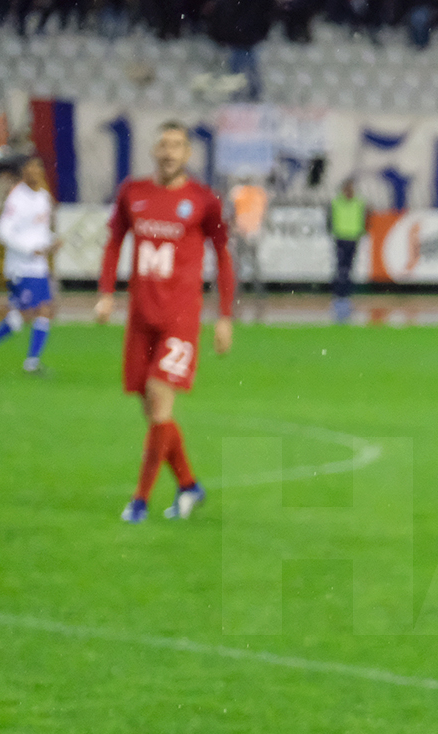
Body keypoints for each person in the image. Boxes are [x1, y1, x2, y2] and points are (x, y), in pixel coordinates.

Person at [96, 120, 235, 524]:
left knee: (159, 400)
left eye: (177, 145)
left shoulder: (204, 201)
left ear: (188, 154)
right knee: (154, 412)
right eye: (163, 145)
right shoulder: (133, 193)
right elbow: (113, 241)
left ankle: (139, 501)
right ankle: (189, 485)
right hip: (141, 318)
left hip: (180, 320)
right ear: (154, 150)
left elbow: (223, 257)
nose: (170, 151)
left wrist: (224, 316)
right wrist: (106, 293)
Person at [0, 155, 60, 375]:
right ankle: (32, 362)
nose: (34, 172)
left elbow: (39, 232)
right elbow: (3, 231)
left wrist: (51, 241)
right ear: (23, 172)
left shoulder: (43, 197)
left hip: (38, 267)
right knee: (27, 313)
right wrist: (28, 249)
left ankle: (32, 362)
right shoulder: (17, 198)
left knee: (43, 310)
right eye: (29, 168)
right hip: (20, 267)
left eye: (37, 167)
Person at [329, 178, 367, 324]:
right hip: (341, 237)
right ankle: (338, 296)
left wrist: (360, 231)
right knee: (341, 269)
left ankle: (345, 296)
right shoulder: (337, 202)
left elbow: (363, 218)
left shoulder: (359, 202)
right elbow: (330, 219)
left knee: (348, 268)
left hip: (353, 237)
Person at [227, 174, 268, 301]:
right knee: (254, 266)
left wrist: (233, 227)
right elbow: (263, 214)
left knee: (238, 265)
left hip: (242, 232)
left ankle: (237, 294)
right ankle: (259, 294)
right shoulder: (259, 193)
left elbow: (232, 212)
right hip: (254, 233)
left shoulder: (239, 192)